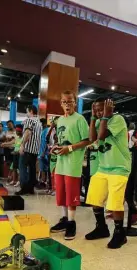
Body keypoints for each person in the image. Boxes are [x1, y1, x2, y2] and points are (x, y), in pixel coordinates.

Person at [85, 98, 131, 249]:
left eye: (101, 109)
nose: (99, 113)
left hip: (119, 167)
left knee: (115, 204)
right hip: (103, 167)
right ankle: (101, 228)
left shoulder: (118, 119)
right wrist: (93, 117)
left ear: (110, 108)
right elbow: (92, 138)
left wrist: (105, 115)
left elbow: (102, 136)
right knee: (95, 198)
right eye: (97, 110)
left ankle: (120, 234)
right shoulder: (99, 120)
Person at [49, 91, 90, 240]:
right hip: (60, 163)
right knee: (61, 193)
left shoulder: (80, 119)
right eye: (65, 102)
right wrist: (57, 147)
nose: (67, 104)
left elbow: (87, 140)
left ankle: (72, 223)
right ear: (61, 103)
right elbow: (62, 140)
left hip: (73, 164)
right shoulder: (60, 120)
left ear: (75, 102)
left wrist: (70, 148)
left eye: (70, 101)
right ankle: (65, 220)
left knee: (71, 195)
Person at [16, 105, 43, 195]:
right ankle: (30, 189)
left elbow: (28, 132)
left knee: (22, 168)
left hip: (27, 149)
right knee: (32, 170)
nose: (26, 114)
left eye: (27, 111)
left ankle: (23, 188)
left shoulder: (29, 120)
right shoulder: (39, 122)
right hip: (35, 150)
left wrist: (22, 145)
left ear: (31, 111)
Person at [46, 117, 59, 195]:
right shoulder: (50, 130)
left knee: (57, 172)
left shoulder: (62, 129)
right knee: (50, 171)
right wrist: (52, 127)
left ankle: (56, 189)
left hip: (59, 151)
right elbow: (47, 138)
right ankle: (51, 187)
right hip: (51, 151)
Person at [37, 118, 49, 189]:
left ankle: (44, 182)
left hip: (45, 153)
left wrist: (44, 152)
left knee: (45, 169)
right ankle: (43, 182)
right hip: (41, 152)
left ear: (43, 124)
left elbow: (47, 142)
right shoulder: (42, 131)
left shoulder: (47, 131)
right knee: (42, 169)